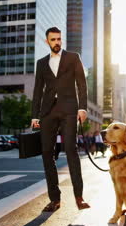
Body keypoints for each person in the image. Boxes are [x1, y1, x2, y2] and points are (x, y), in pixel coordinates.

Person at [30, 27, 90, 212]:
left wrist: (82, 107)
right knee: (47, 153)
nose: (57, 42)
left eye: (59, 39)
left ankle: (79, 197)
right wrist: (35, 115)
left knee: (71, 150)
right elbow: (38, 90)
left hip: (69, 110)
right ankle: (54, 199)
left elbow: (81, 83)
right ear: (47, 41)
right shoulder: (41, 63)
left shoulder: (73, 57)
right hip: (48, 112)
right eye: (53, 39)